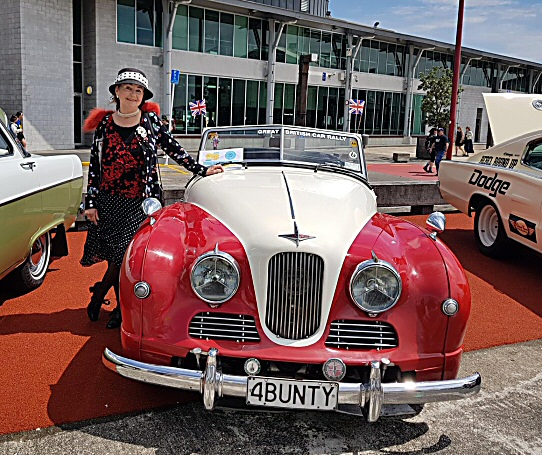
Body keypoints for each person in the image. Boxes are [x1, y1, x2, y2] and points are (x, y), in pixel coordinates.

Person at [81, 68, 224, 329]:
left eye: (138, 90)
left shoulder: (151, 122)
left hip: (142, 203)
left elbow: (175, 150)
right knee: (117, 256)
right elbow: (96, 165)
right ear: (117, 92)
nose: (133, 94)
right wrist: (90, 203)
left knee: (126, 256)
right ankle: (106, 297)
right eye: (128, 88)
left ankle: (111, 302)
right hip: (111, 200)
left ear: (143, 96)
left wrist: (202, 170)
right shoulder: (105, 124)